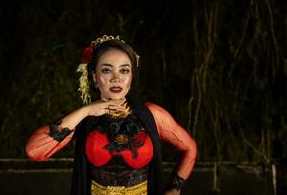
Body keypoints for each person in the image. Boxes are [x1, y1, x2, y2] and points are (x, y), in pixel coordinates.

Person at [25, 35, 197, 195]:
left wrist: (175, 188)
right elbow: (34, 151)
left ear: (132, 76)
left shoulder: (152, 115)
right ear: (94, 76)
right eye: (107, 71)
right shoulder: (83, 119)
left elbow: (190, 148)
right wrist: (86, 110)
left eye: (124, 71)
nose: (116, 78)